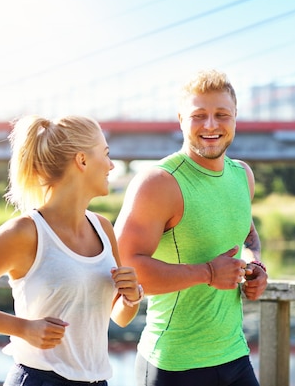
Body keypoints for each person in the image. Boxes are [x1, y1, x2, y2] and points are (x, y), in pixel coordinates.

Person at [0, 115, 143, 386]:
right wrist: (23, 328)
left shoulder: (103, 228)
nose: (110, 165)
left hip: (97, 380)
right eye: (106, 155)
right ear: (82, 160)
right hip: (39, 379)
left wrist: (131, 298)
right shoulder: (24, 233)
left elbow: (118, 316)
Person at [114, 69, 268, 386]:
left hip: (235, 356)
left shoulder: (243, 175)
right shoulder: (159, 182)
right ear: (181, 118)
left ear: (235, 117)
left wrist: (254, 264)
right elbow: (124, 268)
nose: (211, 125)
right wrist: (207, 273)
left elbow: (248, 235)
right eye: (199, 115)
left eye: (221, 114)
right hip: (172, 364)